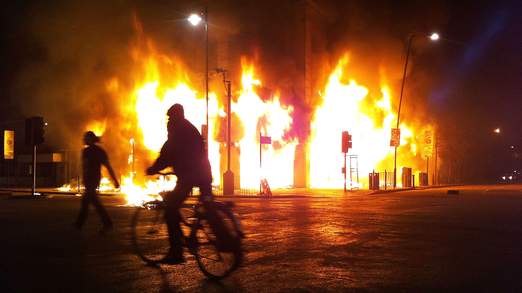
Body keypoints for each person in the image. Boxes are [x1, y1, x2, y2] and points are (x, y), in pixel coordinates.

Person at [146, 103, 213, 264]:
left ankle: (176, 252)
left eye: (170, 117)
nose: (168, 121)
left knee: (170, 208)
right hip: (204, 174)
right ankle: (216, 237)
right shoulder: (189, 127)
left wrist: (153, 169)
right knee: (208, 208)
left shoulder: (178, 130)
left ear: (174, 117)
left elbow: (167, 153)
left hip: (191, 176)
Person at [74, 131, 120, 234]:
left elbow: (107, 166)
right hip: (90, 180)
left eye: (85, 137)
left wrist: (115, 180)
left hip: (93, 180)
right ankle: (80, 224)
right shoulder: (87, 151)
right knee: (90, 202)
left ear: (91, 139)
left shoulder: (97, 151)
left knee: (90, 203)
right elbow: (85, 166)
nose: (84, 139)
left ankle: (81, 225)